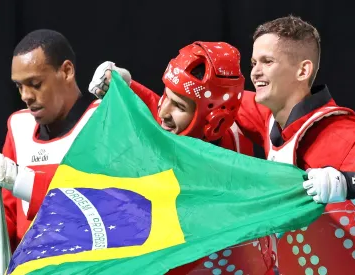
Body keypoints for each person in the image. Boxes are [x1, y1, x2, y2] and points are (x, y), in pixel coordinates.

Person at [233, 15, 355, 274]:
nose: (255, 71)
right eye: (254, 62)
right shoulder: (268, 118)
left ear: (303, 71)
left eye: (268, 62)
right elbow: (221, 100)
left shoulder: (340, 136)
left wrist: (352, 185)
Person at [88, 42, 276, 275]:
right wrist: (126, 86)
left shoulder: (219, 161)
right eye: (166, 95)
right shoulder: (229, 114)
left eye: (177, 105)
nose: (163, 112)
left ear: (214, 119)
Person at [0, 29, 100, 253]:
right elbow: (6, 233)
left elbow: (98, 211)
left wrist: (22, 181)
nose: (25, 96)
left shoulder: (102, 120)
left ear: (66, 71)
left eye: (35, 84)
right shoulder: (19, 127)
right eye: (19, 86)